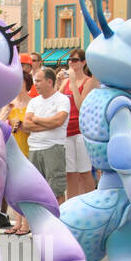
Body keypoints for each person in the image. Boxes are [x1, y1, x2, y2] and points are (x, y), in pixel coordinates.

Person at [20, 66, 70, 202]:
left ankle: (58, 221)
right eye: (35, 81)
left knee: (56, 190)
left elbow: (59, 120)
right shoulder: (34, 101)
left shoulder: (62, 100)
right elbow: (26, 124)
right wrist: (48, 124)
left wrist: (37, 120)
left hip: (53, 147)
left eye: (39, 81)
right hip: (34, 148)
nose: (35, 84)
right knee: (36, 191)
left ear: (49, 81)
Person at [63, 49, 98, 199]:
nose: (71, 62)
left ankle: (91, 201)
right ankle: (72, 204)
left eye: (75, 60)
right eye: (70, 59)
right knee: (70, 172)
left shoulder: (89, 81)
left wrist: (72, 83)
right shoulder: (65, 81)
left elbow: (81, 106)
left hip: (81, 130)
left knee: (84, 171)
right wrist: (60, 82)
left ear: (83, 62)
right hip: (66, 130)